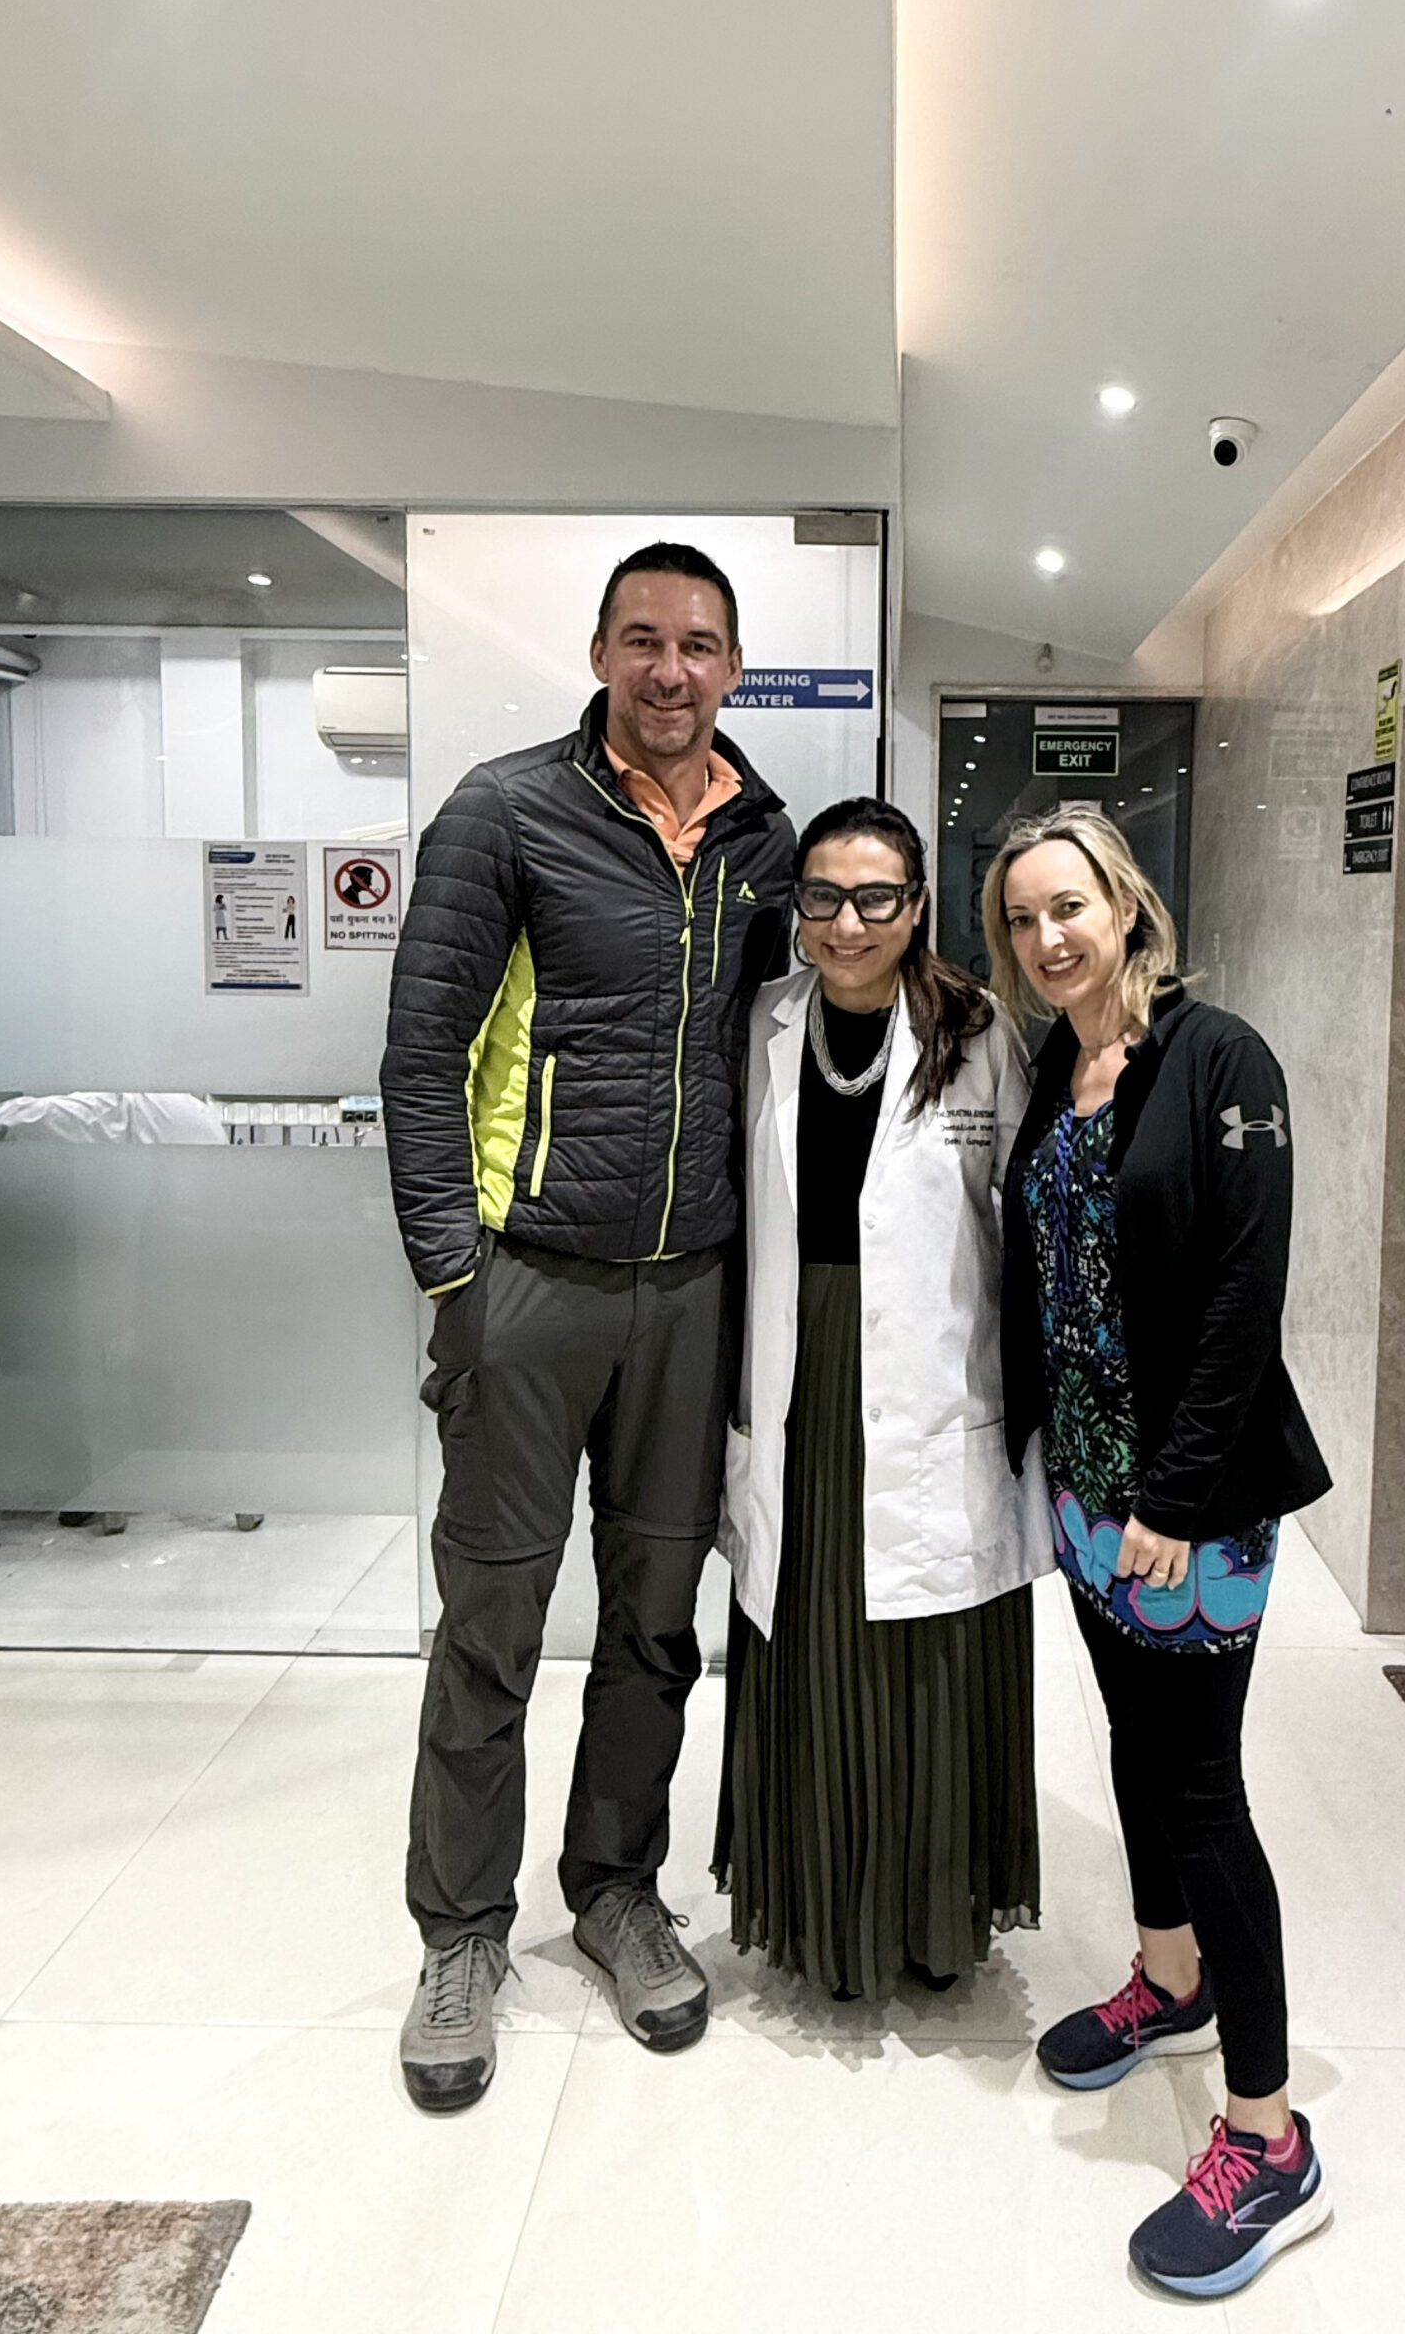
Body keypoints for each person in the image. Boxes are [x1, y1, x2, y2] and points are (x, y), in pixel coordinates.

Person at [381, 540, 793, 2111]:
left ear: (733, 666)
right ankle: (461, 1935)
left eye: (698, 644)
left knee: (654, 1620)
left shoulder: (766, 839)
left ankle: (616, 1890)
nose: (670, 670)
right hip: (529, 1283)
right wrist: (454, 1275)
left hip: (692, 1291)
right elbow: (420, 1056)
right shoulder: (506, 812)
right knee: (490, 1620)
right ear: (603, 652)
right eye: (643, 639)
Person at [987, 804, 1334, 2301]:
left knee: (1200, 1790)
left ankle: (1269, 2137)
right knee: (1136, 1751)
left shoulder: (1220, 1059)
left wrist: (1178, 1501)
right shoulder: (1053, 1069)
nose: (1046, 937)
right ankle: (1171, 1978)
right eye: (1020, 919)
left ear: (1126, 904)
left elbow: (1249, 1290)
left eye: (1068, 906)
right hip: (1087, 1490)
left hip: (1192, 1506)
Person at [713, 798, 1050, 1999]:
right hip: (802, 1378)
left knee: (928, 1658)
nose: (846, 922)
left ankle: (928, 1916)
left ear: (916, 906)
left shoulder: (979, 1032)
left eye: (875, 898)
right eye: (822, 896)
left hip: (933, 1379)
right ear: (797, 904)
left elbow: (1026, 1215)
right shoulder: (761, 1022)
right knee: (812, 1645)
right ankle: (822, 1918)